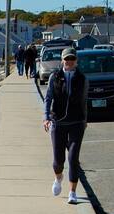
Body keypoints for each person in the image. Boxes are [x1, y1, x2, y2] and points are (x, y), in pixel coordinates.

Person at [43, 48, 88, 204]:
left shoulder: (82, 78)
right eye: (66, 59)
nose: (69, 62)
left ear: (76, 60)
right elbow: (48, 98)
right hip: (58, 122)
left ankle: (72, 192)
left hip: (76, 122)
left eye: (72, 59)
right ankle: (58, 177)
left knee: (73, 158)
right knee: (58, 160)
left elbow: (84, 101)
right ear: (62, 60)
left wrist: (85, 120)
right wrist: (46, 117)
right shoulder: (54, 77)